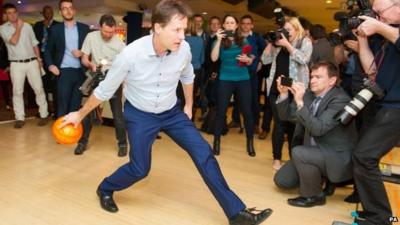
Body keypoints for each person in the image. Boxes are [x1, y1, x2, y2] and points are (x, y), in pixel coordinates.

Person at [60, 1, 272, 224]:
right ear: (158, 27)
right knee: (140, 169)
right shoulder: (130, 55)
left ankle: (236, 213)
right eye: (177, 30)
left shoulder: (184, 49)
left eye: (184, 29)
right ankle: (105, 187)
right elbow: (104, 90)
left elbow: (188, 77)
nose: (182, 36)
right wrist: (80, 114)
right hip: (140, 114)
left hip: (171, 112)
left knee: (203, 152)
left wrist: (189, 105)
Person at [333, 0, 400, 224]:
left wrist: (379, 27)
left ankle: (380, 218)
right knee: (363, 156)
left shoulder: (390, 32)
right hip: (385, 104)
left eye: (380, 13)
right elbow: (372, 71)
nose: (378, 18)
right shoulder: (389, 38)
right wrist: (362, 39)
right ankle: (379, 215)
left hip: (397, 108)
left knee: (363, 157)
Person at [273, 61, 357, 207]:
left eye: (318, 77)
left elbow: (318, 128)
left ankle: (313, 196)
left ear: (332, 80)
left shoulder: (340, 100)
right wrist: (284, 94)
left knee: (299, 152)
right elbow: (287, 116)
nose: (312, 80)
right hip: (314, 151)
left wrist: (299, 103)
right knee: (282, 181)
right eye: (312, 76)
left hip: (334, 155)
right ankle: (318, 177)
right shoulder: (309, 94)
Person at [261, 16, 313, 170]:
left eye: (288, 30)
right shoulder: (278, 44)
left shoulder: (305, 42)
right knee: (279, 124)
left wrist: (287, 45)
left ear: (297, 30)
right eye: (283, 30)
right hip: (276, 88)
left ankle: (293, 159)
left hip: (295, 90)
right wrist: (271, 42)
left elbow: (303, 59)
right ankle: (276, 158)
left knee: (294, 127)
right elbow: (264, 60)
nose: (285, 33)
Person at [74, 14, 127, 156]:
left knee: (117, 114)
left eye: (112, 32)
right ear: (99, 27)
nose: (109, 35)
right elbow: (84, 58)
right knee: (88, 110)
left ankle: (122, 144)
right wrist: (90, 64)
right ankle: (82, 142)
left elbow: (125, 65)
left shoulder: (120, 44)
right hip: (96, 76)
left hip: (113, 79)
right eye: (105, 31)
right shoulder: (91, 37)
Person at [211, 15, 256, 157]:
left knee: (247, 112)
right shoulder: (219, 40)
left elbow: (249, 60)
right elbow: (213, 58)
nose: (230, 25)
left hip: (243, 78)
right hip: (225, 78)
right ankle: (216, 141)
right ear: (223, 25)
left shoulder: (243, 40)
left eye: (232, 22)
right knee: (221, 111)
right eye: (227, 23)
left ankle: (250, 142)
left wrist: (248, 60)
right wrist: (218, 40)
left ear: (236, 26)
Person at [0, 3, 49, 128]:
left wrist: (39, 59)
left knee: (39, 89)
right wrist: (19, 27)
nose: (12, 15)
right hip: (16, 64)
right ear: (6, 15)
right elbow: (14, 41)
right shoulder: (3, 28)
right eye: (9, 13)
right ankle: (20, 118)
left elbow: (34, 44)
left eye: (14, 12)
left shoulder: (27, 26)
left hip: (32, 61)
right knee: (17, 91)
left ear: (17, 13)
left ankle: (44, 115)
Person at [43, 0, 90, 118]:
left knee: (75, 108)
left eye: (70, 8)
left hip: (80, 72)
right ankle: (61, 135)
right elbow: (47, 50)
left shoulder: (84, 28)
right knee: (62, 107)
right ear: (60, 11)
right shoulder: (55, 29)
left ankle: (71, 136)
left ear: (74, 10)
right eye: (65, 8)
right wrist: (51, 65)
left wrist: (82, 52)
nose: (68, 11)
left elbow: (90, 49)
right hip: (63, 73)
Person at [33, 5, 61, 118]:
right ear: (43, 13)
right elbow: (33, 42)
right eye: (46, 12)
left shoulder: (58, 25)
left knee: (55, 87)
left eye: (50, 11)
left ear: (53, 13)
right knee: (41, 86)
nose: (48, 13)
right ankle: (44, 111)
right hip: (41, 59)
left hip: (54, 60)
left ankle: (57, 112)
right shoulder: (37, 26)